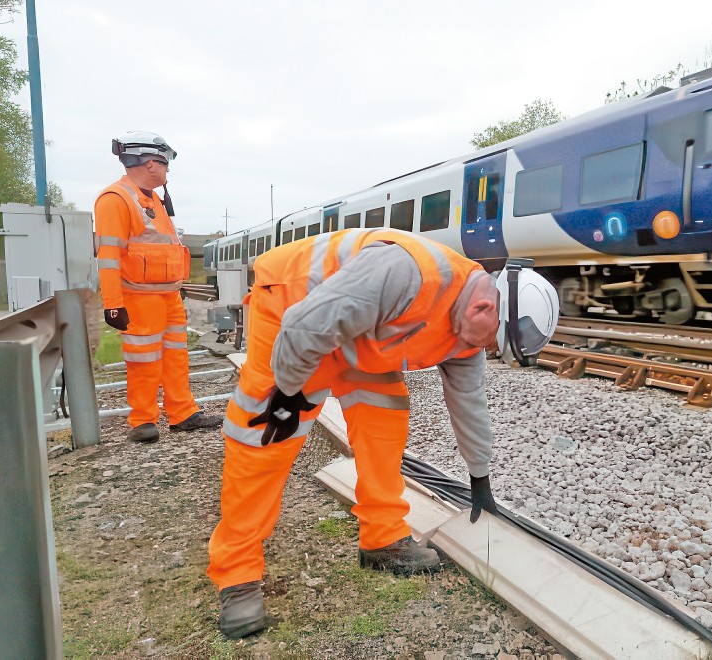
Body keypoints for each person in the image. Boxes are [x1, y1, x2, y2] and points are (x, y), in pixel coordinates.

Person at [206, 228, 558, 639]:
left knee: (385, 420)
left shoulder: (470, 331)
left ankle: (383, 538)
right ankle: (237, 574)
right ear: (483, 307)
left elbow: (469, 402)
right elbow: (305, 329)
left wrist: (480, 476)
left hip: (358, 333)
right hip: (294, 308)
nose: (488, 353)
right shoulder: (404, 274)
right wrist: (286, 394)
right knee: (265, 437)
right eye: (494, 346)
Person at [93, 131, 222, 443]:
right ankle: (143, 420)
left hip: (168, 295)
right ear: (152, 163)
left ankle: (183, 413)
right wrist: (113, 303)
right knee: (144, 360)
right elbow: (108, 256)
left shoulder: (153, 201)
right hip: (138, 296)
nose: (166, 172)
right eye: (165, 165)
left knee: (176, 356)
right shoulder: (115, 199)